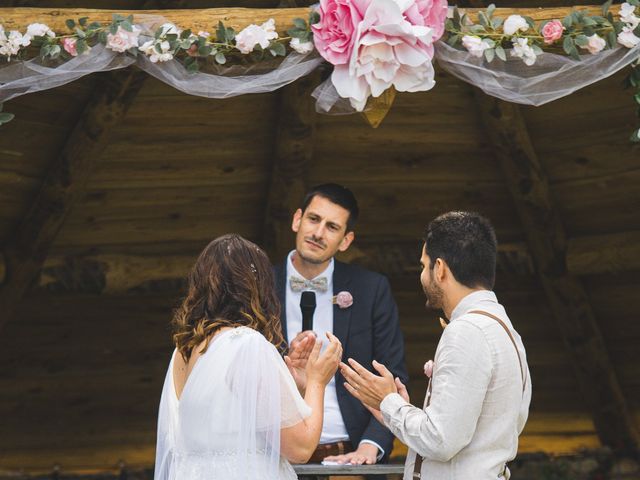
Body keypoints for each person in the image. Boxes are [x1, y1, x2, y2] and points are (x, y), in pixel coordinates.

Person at [340, 211, 532, 480]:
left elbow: (441, 440)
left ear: (439, 269)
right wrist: (398, 413)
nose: (422, 275)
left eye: (423, 265)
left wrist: (388, 401)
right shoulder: (505, 329)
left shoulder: (467, 332)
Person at [154, 234, 343, 480]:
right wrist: (318, 382)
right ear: (257, 286)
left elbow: (229, 415)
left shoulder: (184, 351)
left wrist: (293, 385)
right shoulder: (246, 344)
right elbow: (301, 448)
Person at [274, 183, 408, 468]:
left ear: (346, 241)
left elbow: (392, 375)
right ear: (297, 220)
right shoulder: (260, 287)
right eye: (313, 219)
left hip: (350, 458)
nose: (319, 233)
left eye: (332, 227)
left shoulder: (371, 289)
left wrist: (371, 446)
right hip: (274, 457)